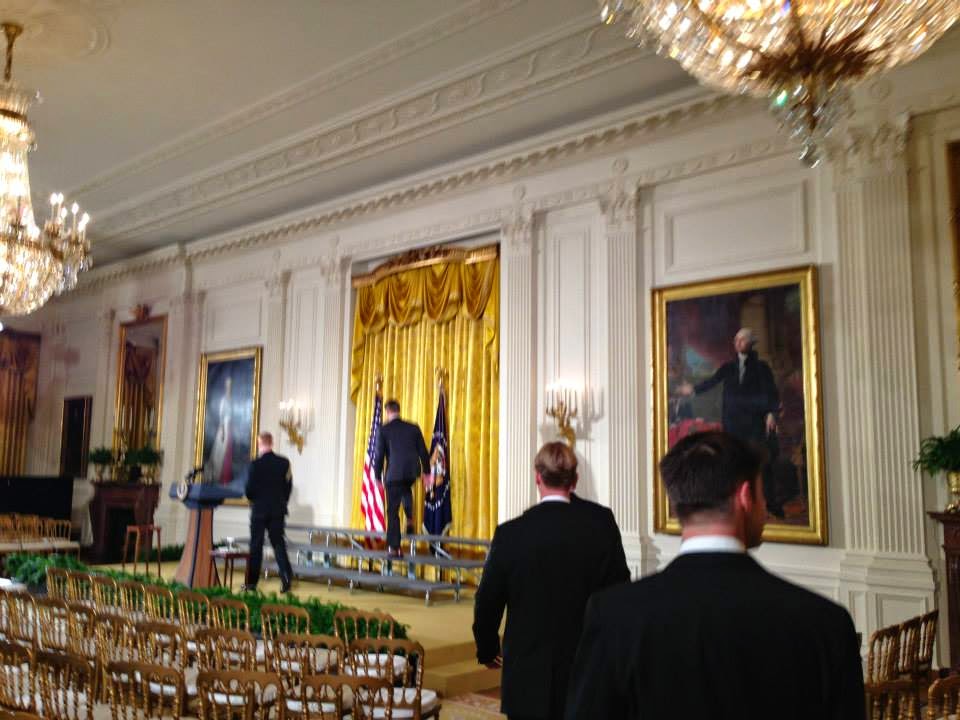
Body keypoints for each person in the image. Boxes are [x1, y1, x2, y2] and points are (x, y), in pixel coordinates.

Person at [564, 431, 864, 720]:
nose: (764, 507)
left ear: (678, 503)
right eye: (763, 493)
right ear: (745, 496)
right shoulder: (825, 623)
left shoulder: (614, 616)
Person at [473, 442, 629, 720]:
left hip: (528, 675)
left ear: (537, 477)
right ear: (574, 480)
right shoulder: (601, 524)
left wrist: (487, 649)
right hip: (587, 669)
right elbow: (619, 594)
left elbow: (487, 601)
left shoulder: (511, 534)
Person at [678, 327, 779, 444]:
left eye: (742, 339)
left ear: (751, 342)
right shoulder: (728, 367)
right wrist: (693, 389)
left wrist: (771, 413)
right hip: (732, 419)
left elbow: (771, 390)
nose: (738, 343)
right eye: (736, 340)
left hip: (754, 420)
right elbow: (712, 381)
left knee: (751, 450)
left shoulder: (762, 367)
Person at [373, 399, 430, 556]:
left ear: (387, 412)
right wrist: (427, 473)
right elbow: (424, 452)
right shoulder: (413, 427)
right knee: (405, 489)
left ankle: (395, 548)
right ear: (398, 410)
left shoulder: (383, 430)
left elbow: (379, 455)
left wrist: (377, 476)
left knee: (392, 511)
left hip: (394, 473)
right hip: (411, 472)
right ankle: (410, 518)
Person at [243, 431, 294, 593]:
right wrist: (282, 501)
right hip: (277, 511)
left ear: (259, 444)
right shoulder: (284, 463)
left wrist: (255, 499)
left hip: (259, 511)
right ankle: (286, 578)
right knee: (278, 543)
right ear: (271, 443)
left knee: (256, 546)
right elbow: (288, 486)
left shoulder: (254, 465)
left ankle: (251, 583)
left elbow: (248, 490)